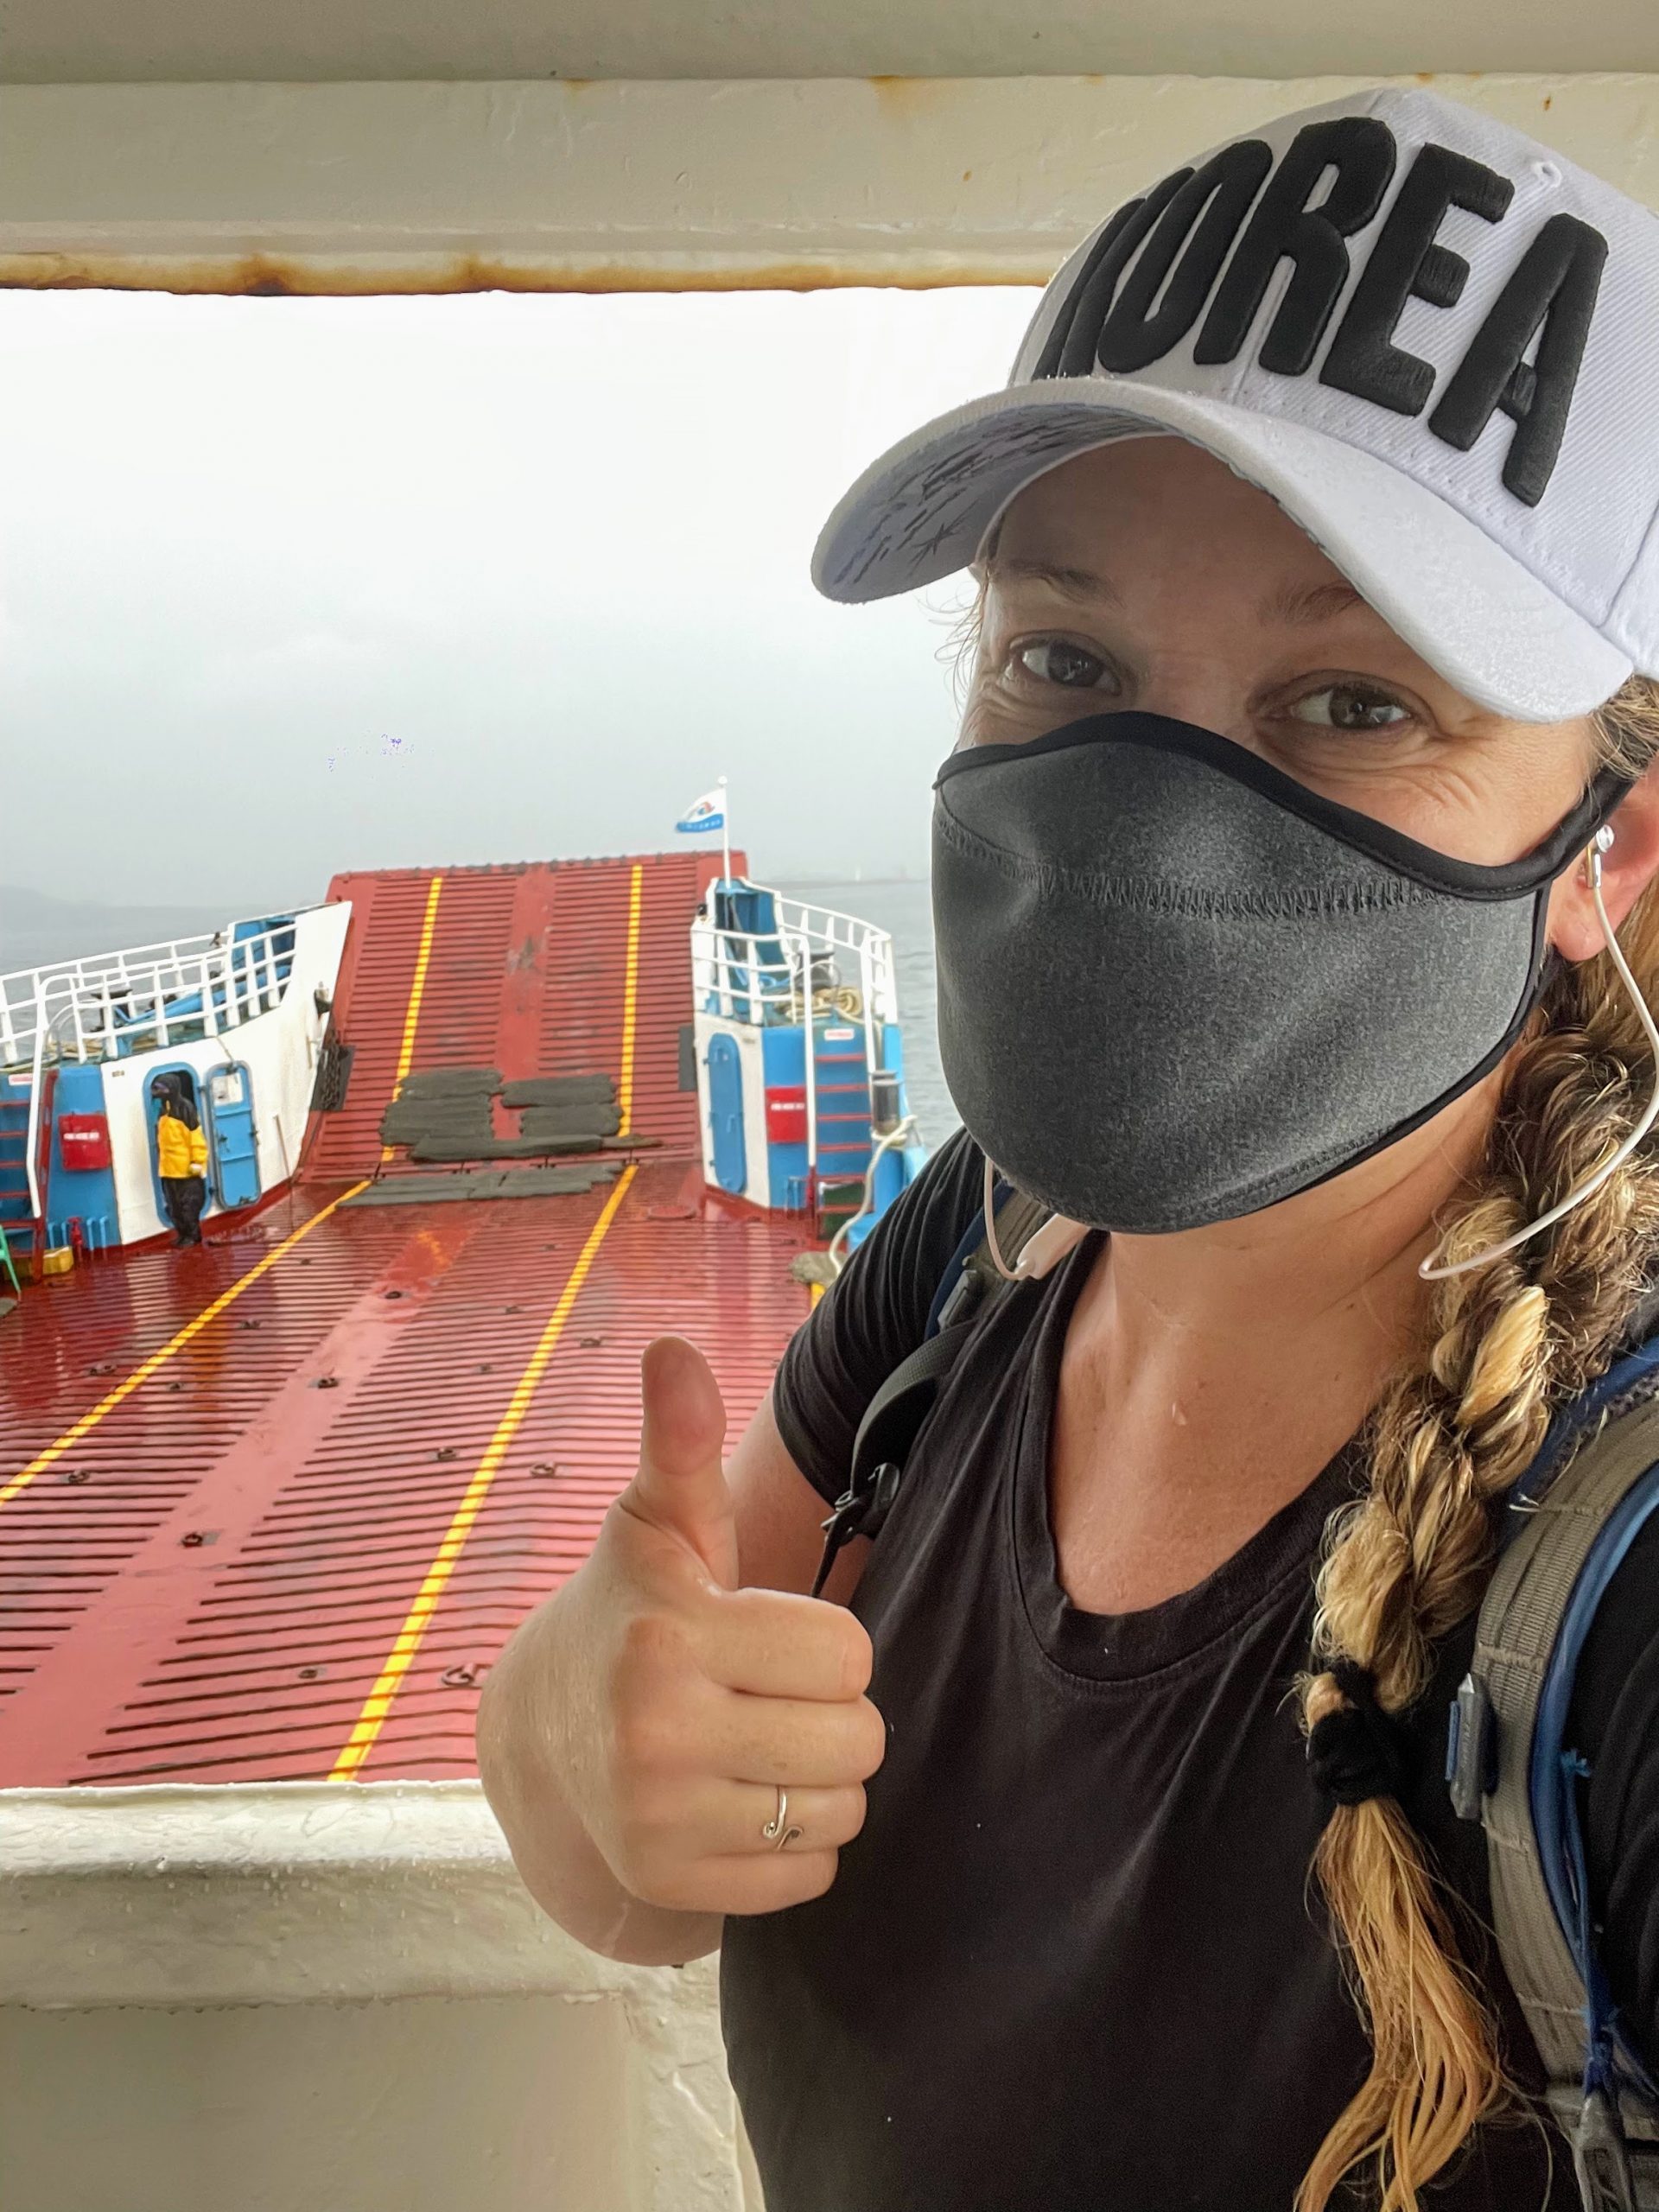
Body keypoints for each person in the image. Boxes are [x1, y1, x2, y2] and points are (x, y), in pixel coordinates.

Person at [478, 88, 1659, 2211]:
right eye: (1065, 657)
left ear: (1607, 850)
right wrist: (570, 1727)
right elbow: (646, 1849)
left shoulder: (1621, 1575)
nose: (1154, 820)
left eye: (1356, 701)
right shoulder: (979, 1252)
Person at [155, 1076, 208, 1246]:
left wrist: (197, 1162)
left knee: (189, 1207)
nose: (158, 1092)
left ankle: (193, 1237)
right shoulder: (164, 1109)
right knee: (174, 1207)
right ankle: (183, 1235)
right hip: (168, 1171)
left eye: (162, 1088)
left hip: (186, 1172)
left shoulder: (185, 1108)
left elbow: (196, 1138)